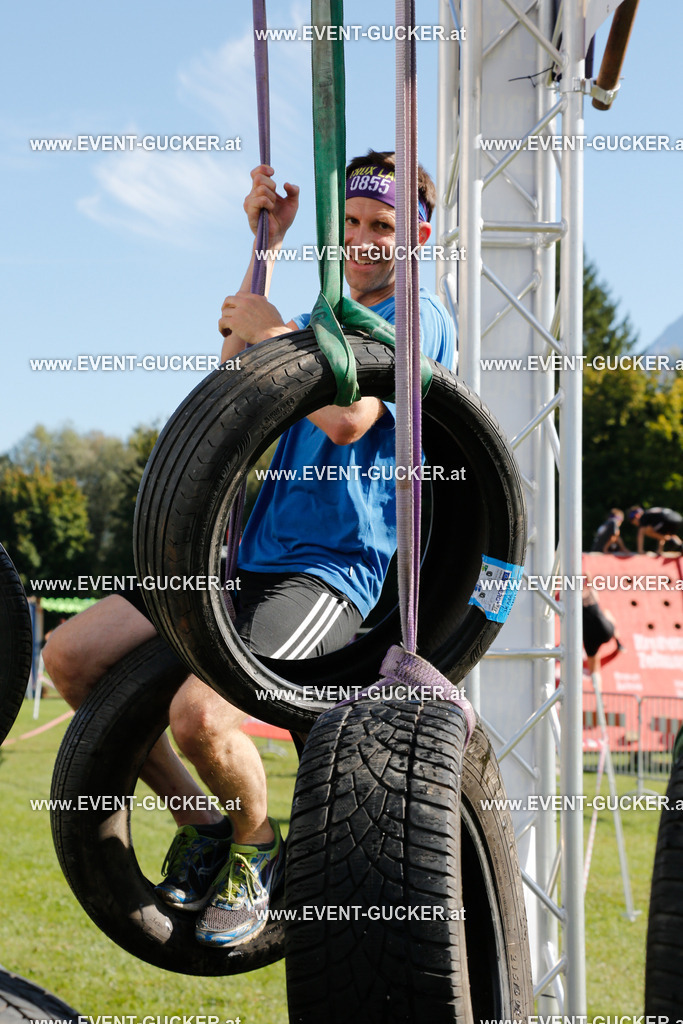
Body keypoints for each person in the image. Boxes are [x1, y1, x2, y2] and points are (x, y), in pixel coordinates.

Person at [43, 150, 455, 949]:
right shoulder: (322, 315)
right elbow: (232, 376)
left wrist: (280, 335)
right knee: (72, 656)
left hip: (326, 573)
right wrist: (264, 247)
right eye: (352, 227)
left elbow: (350, 421)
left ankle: (257, 843)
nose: (366, 242)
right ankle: (200, 820)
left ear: (416, 238)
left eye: (383, 228)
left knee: (199, 716)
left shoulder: (417, 315)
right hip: (247, 559)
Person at [582, 573, 624, 674]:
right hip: (605, 630)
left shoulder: (572, 599)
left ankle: (597, 687)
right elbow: (590, 582)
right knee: (607, 613)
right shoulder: (591, 593)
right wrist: (589, 577)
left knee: (594, 668)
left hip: (589, 635)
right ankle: (618, 642)